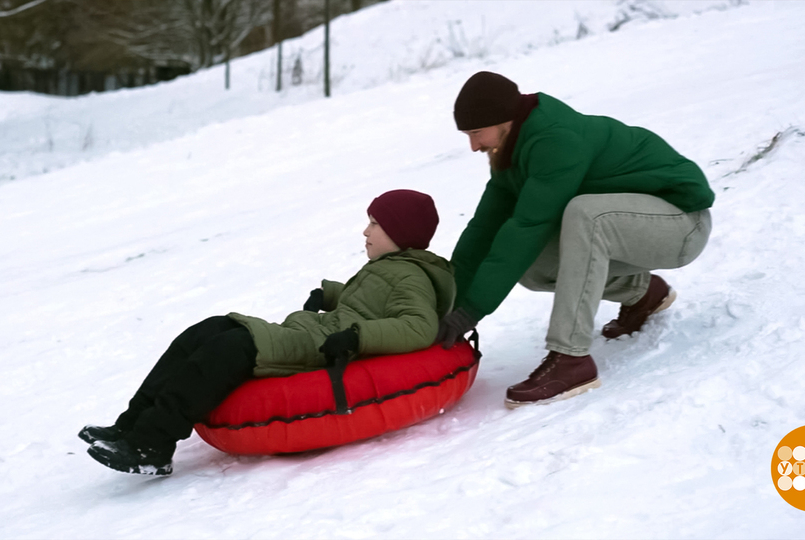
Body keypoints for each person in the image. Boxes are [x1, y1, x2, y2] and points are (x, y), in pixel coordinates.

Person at [82, 189, 454, 475]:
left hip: (319, 347)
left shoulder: (410, 275)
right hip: (314, 331)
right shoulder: (393, 267)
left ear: (399, 232)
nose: (365, 230)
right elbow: (370, 302)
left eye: (374, 223)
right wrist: (331, 294)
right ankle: (130, 426)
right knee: (206, 331)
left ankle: (153, 445)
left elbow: (418, 326)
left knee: (227, 349)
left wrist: (359, 336)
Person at [436, 71, 714, 408]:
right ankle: (641, 292)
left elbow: (528, 226)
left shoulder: (556, 140)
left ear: (503, 120)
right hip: (634, 227)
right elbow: (484, 230)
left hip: (682, 223)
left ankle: (571, 359)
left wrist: (472, 311)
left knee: (586, 215)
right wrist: (447, 304)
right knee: (531, 264)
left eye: (476, 133)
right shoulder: (511, 148)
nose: (473, 146)